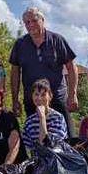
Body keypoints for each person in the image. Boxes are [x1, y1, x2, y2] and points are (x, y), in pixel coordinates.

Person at [10, 7, 79, 136]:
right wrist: (15, 99)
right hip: (32, 99)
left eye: (34, 21)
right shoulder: (20, 44)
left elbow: (71, 68)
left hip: (57, 98)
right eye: (27, 22)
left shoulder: (57, 40)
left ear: (42, 20)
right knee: (36, 139)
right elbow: (14, 73)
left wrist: (72, 94)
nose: (31, 25)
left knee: (67, 137)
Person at [21, 79, 69, 152]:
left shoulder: (58, 118)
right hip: (37, 161)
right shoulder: (29, 121)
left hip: (56, 159)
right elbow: (26, 148)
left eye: (43, 95)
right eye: (36, 94)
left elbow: (48, 145)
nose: (39, 98)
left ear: (50, 96)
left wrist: (42, 118)